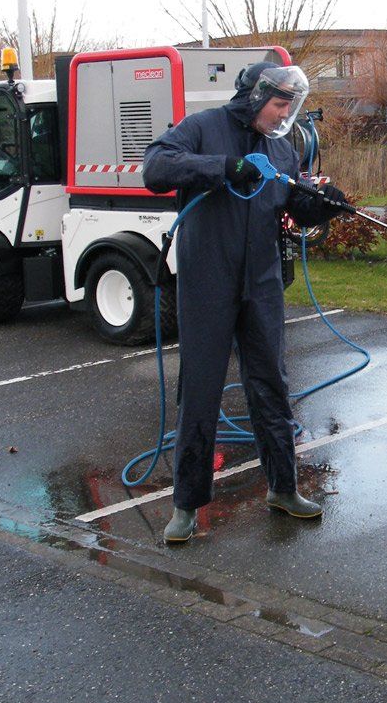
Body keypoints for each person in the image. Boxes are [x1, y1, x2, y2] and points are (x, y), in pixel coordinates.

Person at [142, 62, 348, 545]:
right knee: (201, 391)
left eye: (290, 107)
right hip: (208, 282)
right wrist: (221, 167)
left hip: (261, 283)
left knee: (271, 385)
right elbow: (155, 167)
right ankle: (186, 504)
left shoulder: (281, 145)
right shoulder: (202, 128)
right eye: (280, 104)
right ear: (256, 96)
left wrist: (324, 204)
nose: (285, 115)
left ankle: (283, 487)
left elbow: (291, 200)